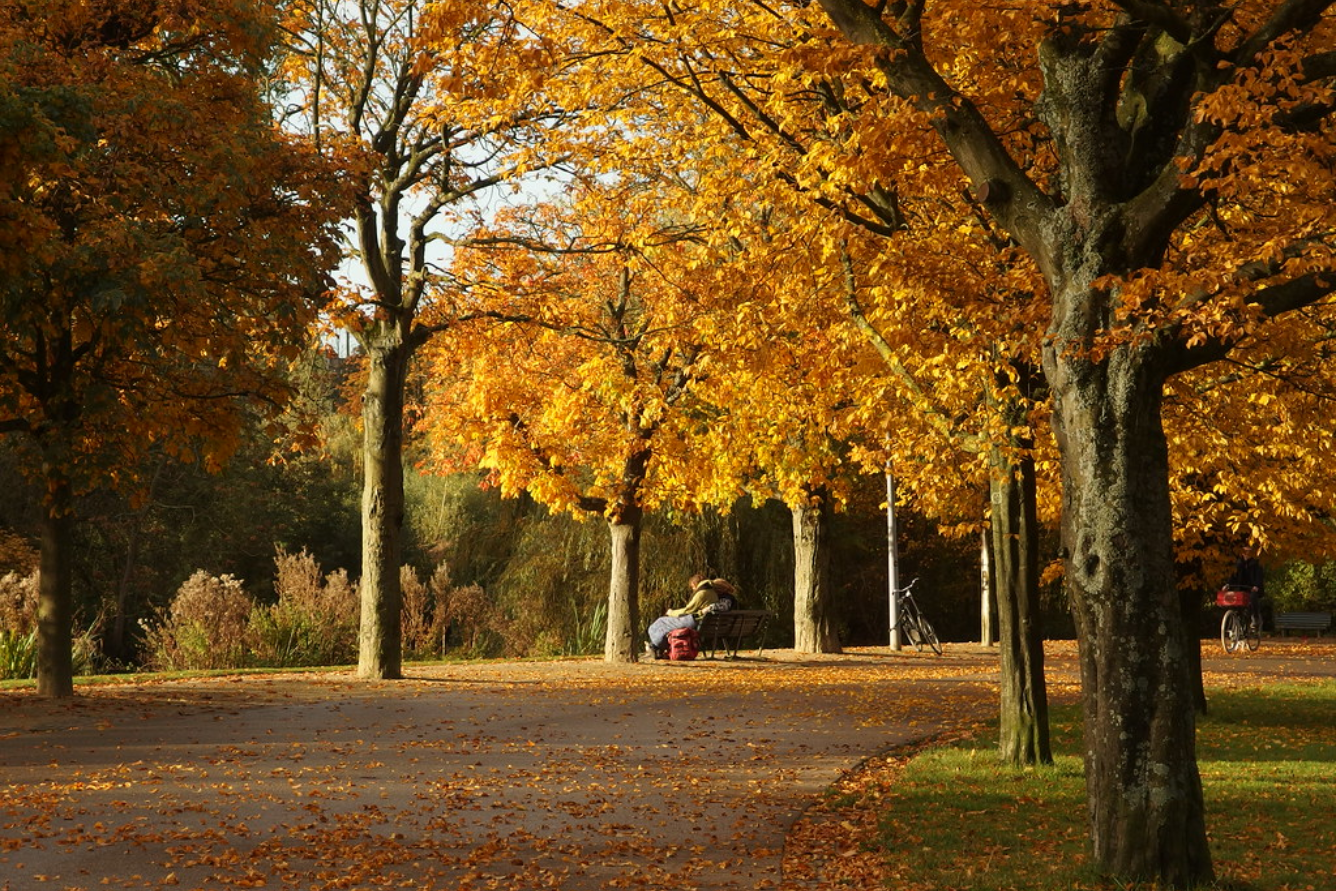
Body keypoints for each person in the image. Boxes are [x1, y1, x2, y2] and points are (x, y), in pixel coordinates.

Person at [644, 574, 734, 660]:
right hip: (709, 625)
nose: (693, 590)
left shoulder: (703, 593)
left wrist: (671, 612)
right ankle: (655, 647)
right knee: (664, 627)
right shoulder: (717, 596)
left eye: (692, 587)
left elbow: (688, 610)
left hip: (695, 621)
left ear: (695, 584)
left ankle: (654, 646)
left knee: (660, 622)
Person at [1227, 544, 1265, 630]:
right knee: (1232, 599)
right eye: (1245, 551)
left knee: (1253, 597)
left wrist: (1257, 586)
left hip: (1252, 588)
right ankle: (1233, 620)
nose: (1246, 554)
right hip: (1240, 588)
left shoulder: (1257, 563)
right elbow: (1233, 576)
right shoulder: (1238, 563)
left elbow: (1259, 576)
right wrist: (1228, 584)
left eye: (1248, 551)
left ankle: (1255, 618)